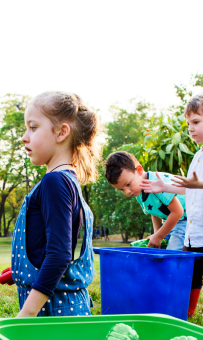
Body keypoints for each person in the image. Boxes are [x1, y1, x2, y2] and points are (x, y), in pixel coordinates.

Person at [141, 91, 203, 328]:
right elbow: (192, 189)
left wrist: (198, 183)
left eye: (196, 122)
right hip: (196, 231)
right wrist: (165, 187)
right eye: (188, 124)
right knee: (188, 272)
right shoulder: (199, 155)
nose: (190, 128)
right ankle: (186, 310)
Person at [11, 91, 99, 317]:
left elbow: (59, 255)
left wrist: (26, 315)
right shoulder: (66, 181)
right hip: (63, 308)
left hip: (56, 314)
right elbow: (53, 247)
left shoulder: (55, 181)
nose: (24, 137)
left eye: (33, 127)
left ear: (61, 132)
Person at [104, 151, 187, 250]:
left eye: (128, 184)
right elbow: (155, 211)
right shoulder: (138, 191)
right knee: (156, 250)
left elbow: (178, 211)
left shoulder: (156, 183)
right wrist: (157, 234)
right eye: (121, 189)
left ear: (139, 170)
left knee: (172, 254)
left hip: (186, 219)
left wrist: (159, 236)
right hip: (172, 221)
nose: (127, 192)